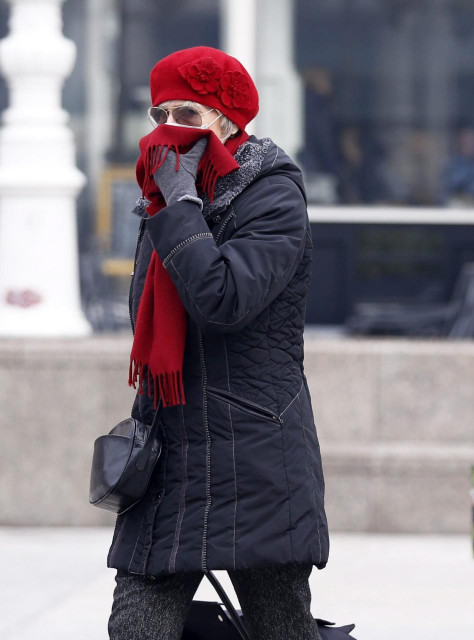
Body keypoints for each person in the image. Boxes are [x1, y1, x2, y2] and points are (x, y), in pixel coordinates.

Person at [106, 46, 329, 640]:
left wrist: (179, 208)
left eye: (188, 113)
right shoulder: (163, 199)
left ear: (227, 121)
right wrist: (172, 204)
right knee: (134, 630)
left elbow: (224, 300)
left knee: (280, 628)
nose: (169, 131)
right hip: (170, 452)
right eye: (159, 115)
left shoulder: (272, 195)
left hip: (254, 453)